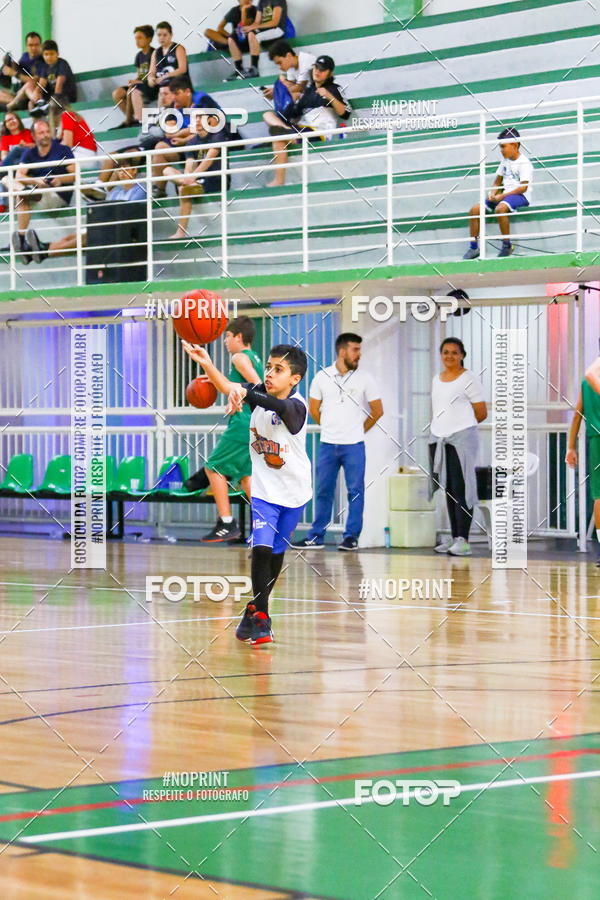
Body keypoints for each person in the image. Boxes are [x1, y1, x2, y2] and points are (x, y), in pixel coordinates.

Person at [190, 342, 311, 644]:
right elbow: (227, 384)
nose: (269, 373)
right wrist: (206, 363)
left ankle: (254, 609)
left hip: (294, 491)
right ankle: (263, 617)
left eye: (278, 370)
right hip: (264, 490)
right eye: (268, 367)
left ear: (295, 379)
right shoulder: (259, 395)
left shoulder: (297, 406)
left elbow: (279, 408)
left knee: (277, 554)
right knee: (261, 548)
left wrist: (247, 393)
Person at [292, 333, 383, 551]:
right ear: (342, 351)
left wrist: (357, 430)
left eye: (359, 350)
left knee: (356, 491)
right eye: (355, 350)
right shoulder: (322, 376)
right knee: (323, 491)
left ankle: (351, 537)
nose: (359, 354)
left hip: (355, 446)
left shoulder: (365, 379)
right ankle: (316, 536)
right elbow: (313, 409)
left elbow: (377, 411)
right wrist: (332, 428)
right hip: (327, 445)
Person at [182, 317, 264, 542]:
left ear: (239, 337)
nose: (225, 341)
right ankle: (267, 525)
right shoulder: (253, 356)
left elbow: (258, 387)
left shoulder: (239, 357)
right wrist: (216, 379)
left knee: (213, 468)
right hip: (253, 424)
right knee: (247, 478)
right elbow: (246, 384)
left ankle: (227, 523)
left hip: (242, 423)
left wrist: (237, 394)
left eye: (227, 336)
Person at [24, 156, 146, 264]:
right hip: (109, 227)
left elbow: (129, 212)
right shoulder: (115, 192)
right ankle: (43, 249)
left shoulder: (140, 190)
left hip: (125, 231)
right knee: (75, 235)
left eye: (125, 169)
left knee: (87, 236)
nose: (121, 173)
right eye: (119, 170)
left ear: (134, 170)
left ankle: (43, 252)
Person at [428, 338, 487, 556]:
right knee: (449, 490)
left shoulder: (469, 379)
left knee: (462, 489)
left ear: (462, 355)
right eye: (445, 352)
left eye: (454, 352)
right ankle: (455, 538)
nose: (449, 356)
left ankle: (464, 540)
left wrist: (461, 429)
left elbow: (481, 412)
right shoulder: (437, 379)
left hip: (461, 440)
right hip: (440, 439)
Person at [263, 56, 352, 187]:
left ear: (330, 73)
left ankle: (279, 180)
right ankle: (286, 132)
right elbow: (290, 115)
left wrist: (328, 96)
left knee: (278, 139)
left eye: (322, 69)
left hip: (318, 133)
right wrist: (289, 96)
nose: (317, 71)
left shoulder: (335, 89)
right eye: (316, 67)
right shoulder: (308, 92)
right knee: (268, 115)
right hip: (302, 128)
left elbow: (345, 113)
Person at [5, 119, 74, 263]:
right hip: (37, 192)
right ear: (34, 136)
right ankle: (22, 240)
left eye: (47, 132)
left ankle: (22, 240)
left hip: (56, 194)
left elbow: (74, 174)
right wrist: (36, 181)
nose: (45, 135)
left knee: (20, 194)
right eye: (41, 133)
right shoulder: (30, 153)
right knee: (7, 179)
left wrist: (60, 180)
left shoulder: (63, 149)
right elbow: (19, 174)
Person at [463, 126, 533, 260]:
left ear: (515, 145)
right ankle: (474, 247)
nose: (501, 150)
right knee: (474, 210)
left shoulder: (524, 163)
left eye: (503, 147)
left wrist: (502, 196)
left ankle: (507, 245)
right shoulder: (505, 161)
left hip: (519, 196)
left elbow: (523, 187)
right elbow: (497, 182)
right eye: (500, 147)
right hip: (504, 194)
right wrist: (493, 193)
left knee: (501, 208)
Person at [150, 77, 223, 197]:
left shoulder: (202, 100)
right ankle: (159, 190)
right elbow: (169, 131)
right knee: (160, 148)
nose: (174, 97)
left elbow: (210, 127)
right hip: (188, 147)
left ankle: (189, 183)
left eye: (177, 93)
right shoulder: (175, 105)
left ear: (187, 92)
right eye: (172, 94)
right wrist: (187, 133)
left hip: (206, 144)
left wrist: (183, 136)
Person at [163, 112, 231, 239]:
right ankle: (190, 184)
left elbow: (209, 159)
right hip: (197, 180)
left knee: (183, 189)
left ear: (210, 120)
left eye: (201, 117)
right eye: (195, 118)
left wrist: (192, 177)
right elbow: (190, 163)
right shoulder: (192, 142)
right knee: (167, 170)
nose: (198, 120)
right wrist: (188, 176)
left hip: (216, 179)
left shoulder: (218, 135)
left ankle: (181, 232)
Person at [566, 354, 600, 566]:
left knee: (599, 496)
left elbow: (578, 413)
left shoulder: (587, 380)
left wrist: (570, 446)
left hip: (595, 440)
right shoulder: (591, 376)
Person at [227, 0, 287, 79]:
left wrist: (253, 27)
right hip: (263, 30)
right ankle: (239, 69)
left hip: (277, 29)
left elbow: (274, 22)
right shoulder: (262, 2)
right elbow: (257, 22)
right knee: (232, 38)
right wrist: (247, 28)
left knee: (254, 36)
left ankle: (254, 69)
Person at [111, 25, 157, 129]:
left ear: (149, 39)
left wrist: (137, 83)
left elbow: (154, 76)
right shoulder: (139, 56)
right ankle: (130, 118)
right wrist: (135, 80)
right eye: (136, 38)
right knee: (117, 93)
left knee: (131, 90)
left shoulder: (154, 54)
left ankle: (131, 120)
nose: (137, 41)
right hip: (141, 84)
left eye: (140, 38)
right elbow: (140, 75)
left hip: (150, 85)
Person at [31, 40, 77, 131]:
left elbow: (59, 85)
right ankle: (37, 129)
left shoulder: (62, 64)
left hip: (66, 96)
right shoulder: (45, 67)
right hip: (53, 96)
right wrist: (36, 93)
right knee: (31, 103)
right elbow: (42, 84)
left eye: (52, 54)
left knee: (53, 104)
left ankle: (53, 129)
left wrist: (52, 100)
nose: (49, 57)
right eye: (46, 54)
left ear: (57, 54)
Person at [0, 32, 45, 111]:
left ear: (40, 45)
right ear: (26, 46)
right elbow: (19, 69)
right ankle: (16, 103)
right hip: (20, 93)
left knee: (29, 85)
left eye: (36, 45)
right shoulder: (25, 56)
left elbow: (34, 81)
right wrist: (10, 64)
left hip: (33, 94)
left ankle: (11, 105)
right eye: (31, 45)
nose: (34, 48)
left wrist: (14, 73)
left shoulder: (43, 60)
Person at [262, 40, 315, 104]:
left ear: (289, 56)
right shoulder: (290, 67)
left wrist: (276, 93)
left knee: (293, 95)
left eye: (280, 63)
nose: (279, 67)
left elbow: (300, 87)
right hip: (306, 97)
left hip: (316, 96)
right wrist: (276, 89)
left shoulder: (306, 59)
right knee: (282, 80)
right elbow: (290, 86)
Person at [147, 22, 189, 90]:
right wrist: (151, 79)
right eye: (159, 35)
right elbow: (151, 72)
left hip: (177, 84)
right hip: (161, 86)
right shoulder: (155, 52)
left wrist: (164, 77)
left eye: (165, 35)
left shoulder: (178, 48)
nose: (162, 38)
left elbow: (183, 69)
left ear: (171, 35)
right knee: (138, 89)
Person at [58, 100, 97, 168]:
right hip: (85, 154)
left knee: (54, 161)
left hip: (84, 154)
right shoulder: (70, 115)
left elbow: (67, 145)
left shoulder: (66, 115)